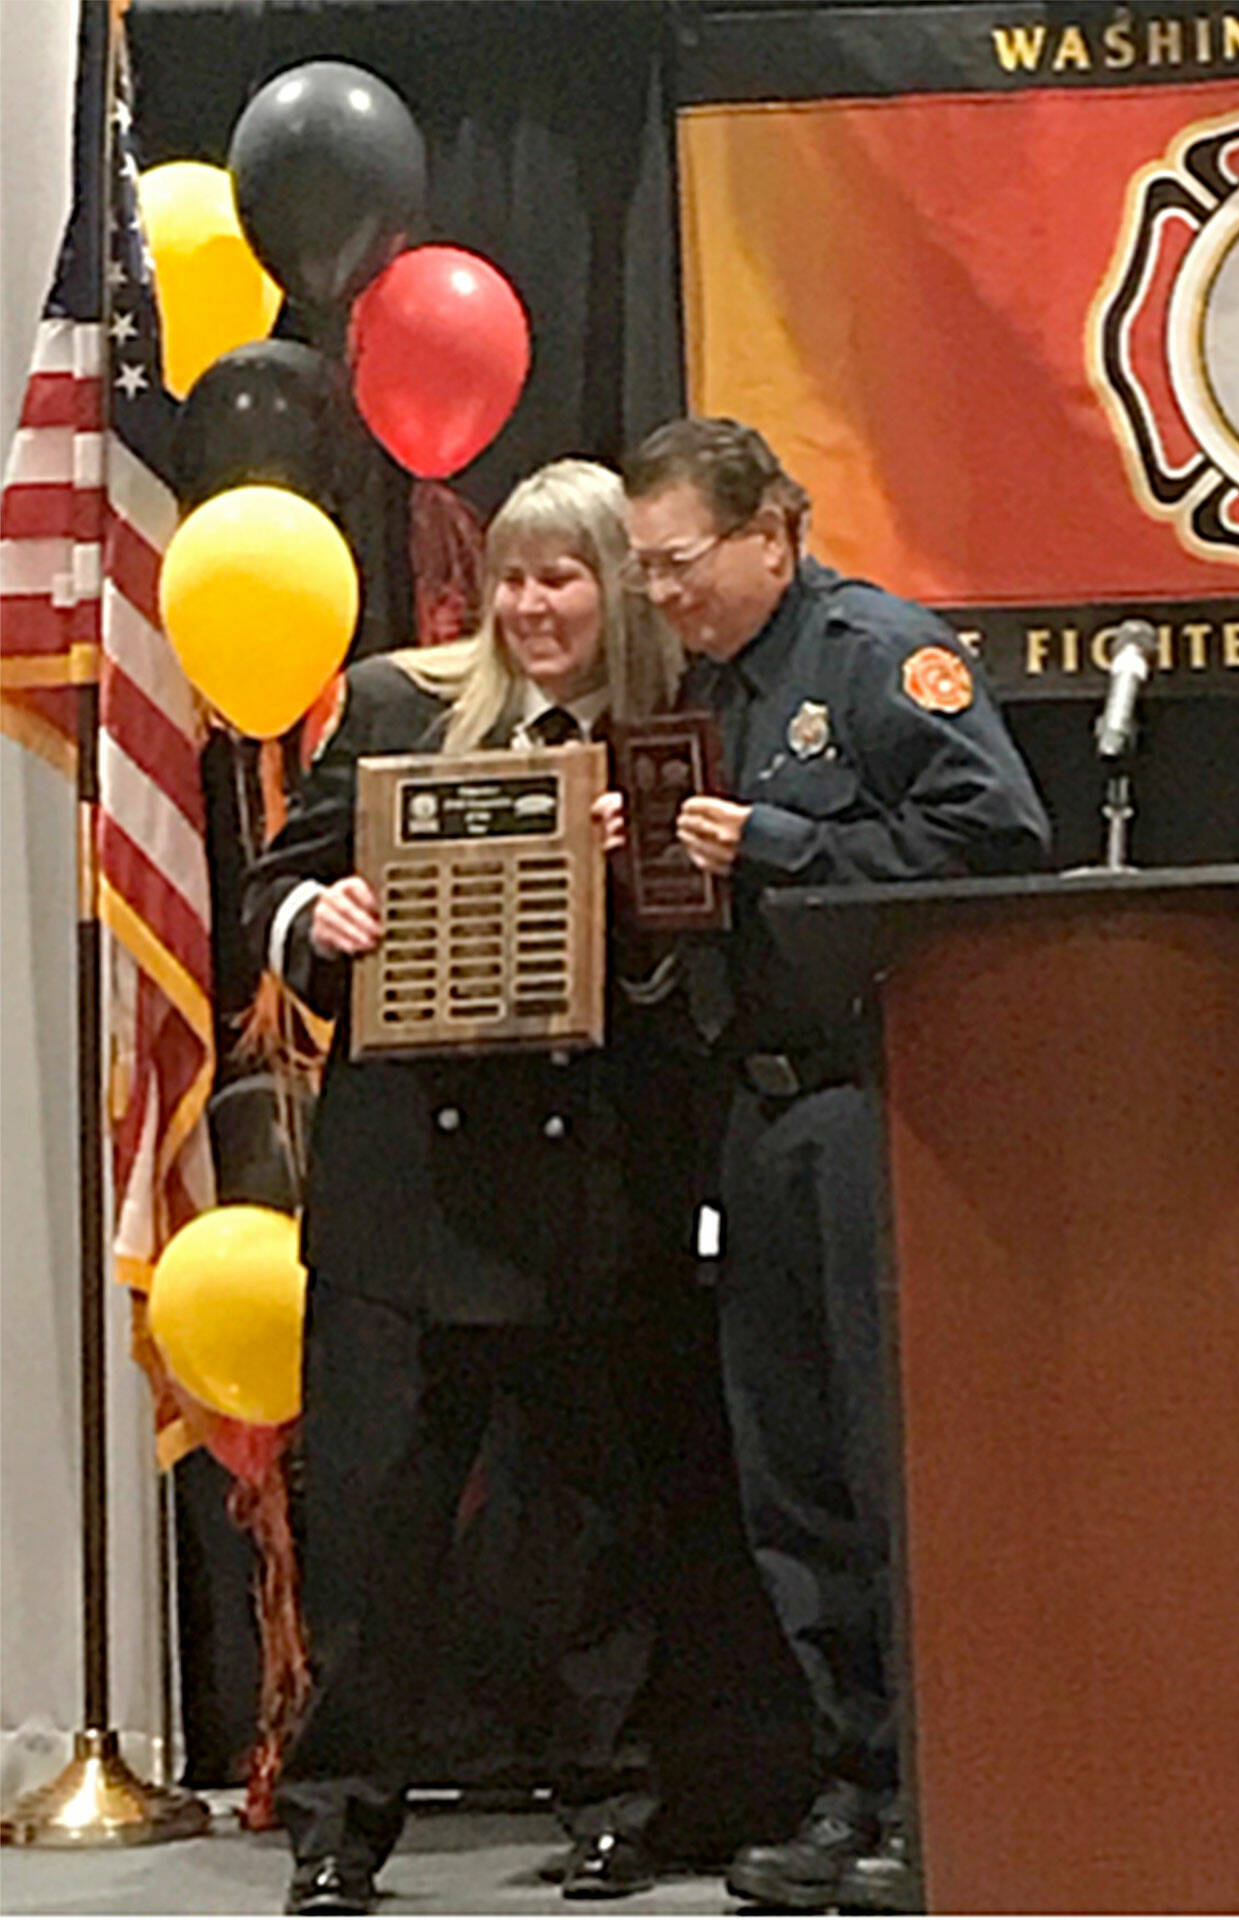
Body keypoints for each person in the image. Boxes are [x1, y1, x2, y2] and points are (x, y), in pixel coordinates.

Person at [243, 458, 694, 1917]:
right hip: (401, 1202)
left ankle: (615, 1804)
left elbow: (683, 976)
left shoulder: (666, 738)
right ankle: (336, 1826)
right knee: (373, 1532)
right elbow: (274, 889)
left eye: (561, 575)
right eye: (510, 575)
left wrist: (636, 891)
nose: (530, 603)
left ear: (616, 587)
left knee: (587, 1534)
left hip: (579, 1201)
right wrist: (328, 912)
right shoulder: (393, 708)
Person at [615, 417, 1052, 1914]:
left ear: (770, 536)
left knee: (888, 1473)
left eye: (679, 565)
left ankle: (941, 1795)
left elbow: (999, 846)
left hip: (876, 1107)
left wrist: (790, 842)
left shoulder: (878, 657)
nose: (661, 596)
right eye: (647, 571)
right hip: (755, 1114)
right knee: (789, 1479)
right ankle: (847, 1782)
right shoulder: (700, 691)